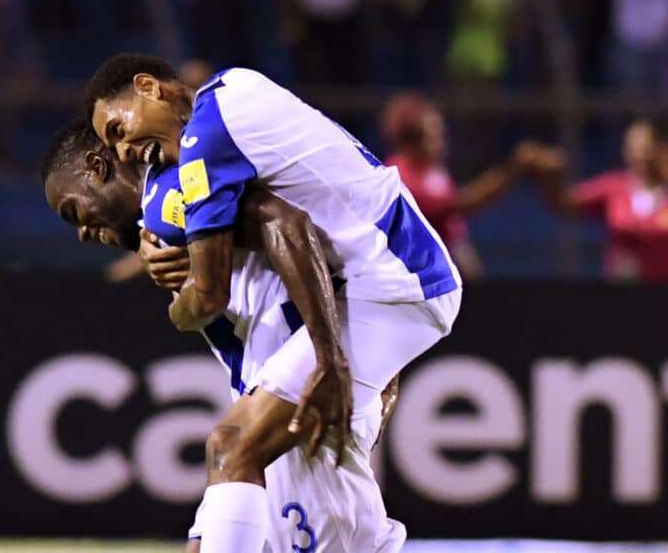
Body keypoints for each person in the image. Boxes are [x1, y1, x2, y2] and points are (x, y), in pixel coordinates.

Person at [86, 54, 461, 552]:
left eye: (118, 128)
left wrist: (330, 360)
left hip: (393, 280)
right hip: (380, 282)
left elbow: (213, 291)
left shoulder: (205, 143)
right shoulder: (234, 89)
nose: (126, 150)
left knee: (234, 447)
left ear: (148, 86)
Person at [42, 119, 405, 553]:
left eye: (72, 211)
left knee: (232, 452)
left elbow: (284, 221)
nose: (82, 232)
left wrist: (347, 360)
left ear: (96, 166)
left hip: (297, 415)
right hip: (267, 411)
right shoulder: (163, 224)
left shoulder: (178, 192)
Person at [380, 92, 549, 279]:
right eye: (435, 136)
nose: (443, 145)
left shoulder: (434, 172)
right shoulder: (399, 177)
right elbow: (463, 204)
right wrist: (513, 170)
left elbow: (456, 233)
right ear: (411, 140)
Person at [536, 119, 668, 281]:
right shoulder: (613, 187)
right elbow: (563, 204)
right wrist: (549, 178)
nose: (638, 155)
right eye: (631, 149)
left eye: (646, 149)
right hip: (621, 293)